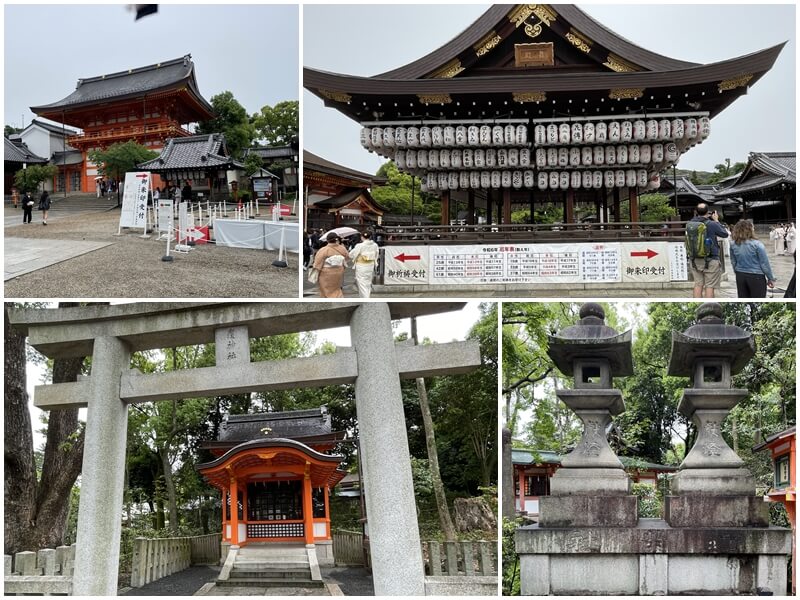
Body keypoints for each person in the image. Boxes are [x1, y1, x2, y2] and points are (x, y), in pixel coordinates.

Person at [686, 203, 728, 298]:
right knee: (710, 286)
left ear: (696, 212)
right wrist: (716, 220)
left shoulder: (690, 224)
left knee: (698, 284)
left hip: (694, 259)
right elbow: (725, 234)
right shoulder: (712, 224)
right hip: (711, 258)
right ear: (707, 212)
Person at [729, 219, 776, 298]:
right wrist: (771, 278)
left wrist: (736, 271)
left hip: (740, 274)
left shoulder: (733, 244)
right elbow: (764, 263)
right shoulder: (757, 244)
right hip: (756, 275)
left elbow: (733, 261)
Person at [311, 233, 349, 298]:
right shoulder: (342, 248)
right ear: (336, 240)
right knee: (336, 288)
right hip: (339, 271)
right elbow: (347, 257)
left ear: (327, 240)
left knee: (326, 289)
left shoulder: (324, 250)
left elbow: (317, 263)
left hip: (326, 273)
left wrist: (316, 268)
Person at [349, 231, 380, 298]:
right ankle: (365, 297)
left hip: (361, 266)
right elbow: (376, 255)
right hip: (370, 265)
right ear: (370, 237)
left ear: (362, 237)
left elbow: (351, 255)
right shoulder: (375, 245)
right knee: (368, 283)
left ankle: (365, 299)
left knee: (362, 283)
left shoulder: (359, 245)